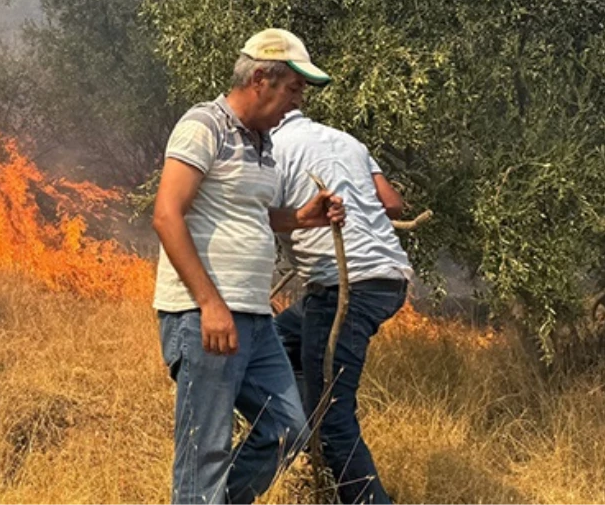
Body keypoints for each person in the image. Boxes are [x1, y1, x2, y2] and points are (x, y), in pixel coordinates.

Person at [152, 28, 343, 504]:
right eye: (294, 90)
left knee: (286, 430)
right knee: (206, 452)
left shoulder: (264, 143)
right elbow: (166, 213)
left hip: (255, 318)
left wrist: (303, 218)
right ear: (261, 78)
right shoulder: (204, 126)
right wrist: (210, 304)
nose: (296, 104)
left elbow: (251, 214)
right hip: (206, 318)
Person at [271, 110, 413, 505]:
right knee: (282, 336)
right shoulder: (349, 141)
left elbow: (259, 215)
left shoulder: (275, 147)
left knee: (332, 418)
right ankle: (299, 436)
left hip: (344, 288)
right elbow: (393, 204)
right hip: (389, 279)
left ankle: (316, 440)